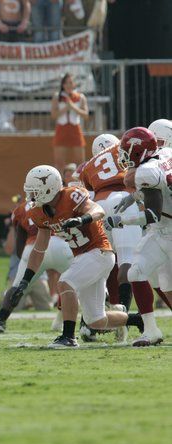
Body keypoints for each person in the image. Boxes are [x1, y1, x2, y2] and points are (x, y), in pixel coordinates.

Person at [11, 165, 143, 348]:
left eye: (35, 192)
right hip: (83, 257)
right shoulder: (39, 213)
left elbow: (98, 210)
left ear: (49, 188)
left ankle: (68, 337)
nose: (32, 197)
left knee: (65, 283)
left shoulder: (71, 196)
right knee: (96, 320)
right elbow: (39, 250)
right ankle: (138, 320)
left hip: (99, 252)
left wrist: (82, 219)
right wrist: (25, 280)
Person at [79, 133, 155, 339]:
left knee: (98, 264)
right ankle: (121, 313)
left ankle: (87, 325)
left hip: (99, 208)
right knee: (127, 265)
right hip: (123, 201)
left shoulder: (87, 166)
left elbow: (89, 197)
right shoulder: (125, 151)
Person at [105, 127, 172, 346]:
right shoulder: (164, 154)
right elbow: (161, 187)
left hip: (167, 230)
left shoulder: (145, 173)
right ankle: (151, 331)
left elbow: (151, 215)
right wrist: (135, 197)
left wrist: (121, 221)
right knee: (136, 272)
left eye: (126, 150)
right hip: (163, 229)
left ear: (137, 151)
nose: (123, 155)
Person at [0, 198, 72, 333]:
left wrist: (28, 265)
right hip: (60, 245)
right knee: (77, 284)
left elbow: (20, 245)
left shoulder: (20, 210)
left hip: (32, 247)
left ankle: (0, 321)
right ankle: (82, 322)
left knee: (16, 287)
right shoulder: (61, 200)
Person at [51, 73, 88, 174]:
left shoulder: (80, 97)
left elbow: (85, 115)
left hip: (75, 128)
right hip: (61, 129)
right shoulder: (57, 97)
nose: (68, 85)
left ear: (74, 84)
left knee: (80, 161)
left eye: (71, 82)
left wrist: (72, 107)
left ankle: (81, 183)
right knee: (59, 162)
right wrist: (66, 108)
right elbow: (53, 115)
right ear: (63, 85)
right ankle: (60, 184)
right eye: (66, 83)